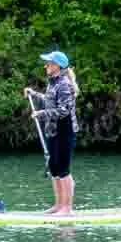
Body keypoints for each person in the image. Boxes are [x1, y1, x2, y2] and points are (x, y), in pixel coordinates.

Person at [36, 51, 77, 215]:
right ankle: (58, 205)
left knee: (63, 169)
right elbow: (48, 101)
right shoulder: (52, 83)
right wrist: (34, 94)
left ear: (57, 66)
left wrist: (42, 114)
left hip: (65, 130)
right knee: (54, 168)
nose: (45, 66)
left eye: (49, 63)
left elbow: (64, 110)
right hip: (52, 130)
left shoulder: (65, 84)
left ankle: (67, 208)